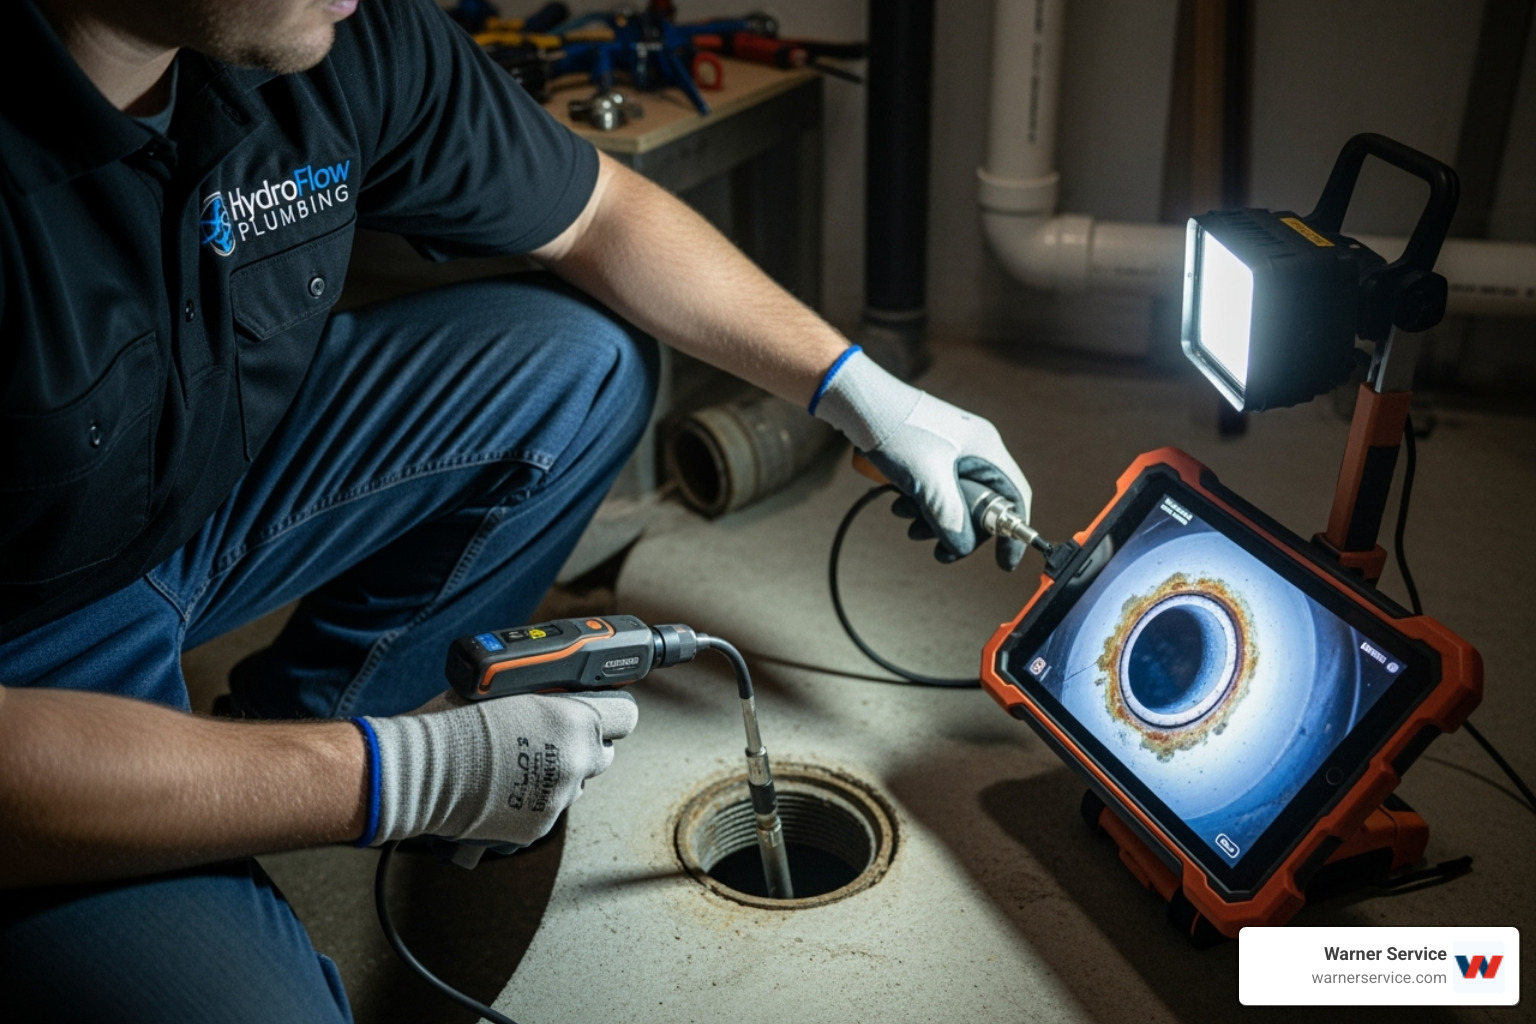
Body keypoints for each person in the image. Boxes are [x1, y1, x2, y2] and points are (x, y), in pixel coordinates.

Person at [0, 0, 1033, 1018]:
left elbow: (601, 213)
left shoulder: (331, 34)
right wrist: (389, 778)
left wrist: (854, 386)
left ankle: (270, 746)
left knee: (580, 368)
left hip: (194, 488)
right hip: (27, 653)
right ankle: (268, 786)